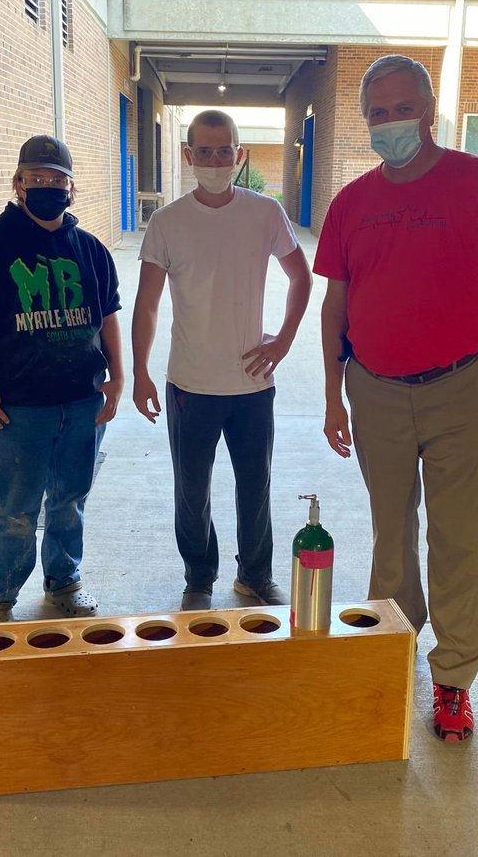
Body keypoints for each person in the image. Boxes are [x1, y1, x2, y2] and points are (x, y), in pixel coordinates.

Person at [314, 55, 478, 742]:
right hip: (374, 390)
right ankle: (393, 650)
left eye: (400, 109)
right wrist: (332, 396)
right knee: (391, 536)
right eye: (376, 114)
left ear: (428, 111)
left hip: (462, 387)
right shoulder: (351, 202)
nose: (389, 123)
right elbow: (334, 307)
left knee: (460, 539)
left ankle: (453, 681)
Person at [132, 109, 312, 612]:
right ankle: (199, 578)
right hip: (190, 384)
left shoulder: (264, 214)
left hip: (252, 384)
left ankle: (254, 576)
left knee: (255, 486)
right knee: (192, 492)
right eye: (205, 151)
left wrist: (283, 341)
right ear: (188, 156)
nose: (215, 160)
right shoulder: (168, 223)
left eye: (224, 150)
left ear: (240, 154)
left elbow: (302, 277)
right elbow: (146, 304)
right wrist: (141, 371)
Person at [0, 134, 123, 623]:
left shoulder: (89, 249)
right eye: (35, 177)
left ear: (72, 188)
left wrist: (117, 377)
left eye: (56, 178)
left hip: (82, 401)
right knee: (16, 507)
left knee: (70, 499)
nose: (46, 185)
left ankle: (64, 581)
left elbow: (108, 315)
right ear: (18, 184)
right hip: (18, 407)